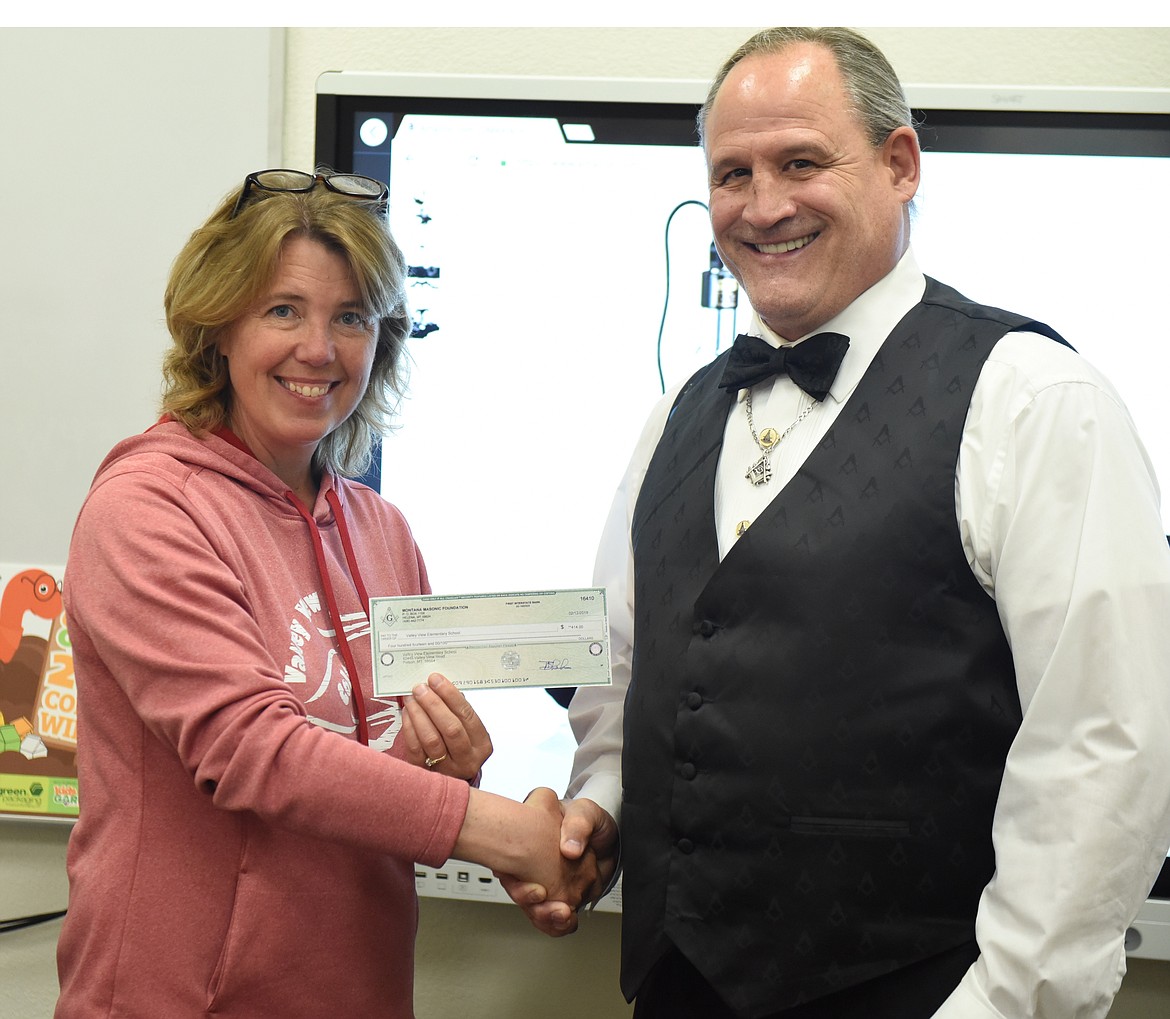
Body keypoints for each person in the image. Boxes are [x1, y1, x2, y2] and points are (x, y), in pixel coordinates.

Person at [507, 26, 1170, 1019]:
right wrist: (598, 806)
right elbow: (627, 675)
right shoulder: (679, 414)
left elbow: (1104, 746)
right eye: (732, 173)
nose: (764, 204)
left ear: (900, 164)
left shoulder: (1034, 399)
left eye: (801, 162)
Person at [55, 168, 596, 1019]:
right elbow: (253, 751)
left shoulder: (382, 530)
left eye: (351, 317)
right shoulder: (146, 508)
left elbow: (362, 786)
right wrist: (497, 828)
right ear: (217, 325)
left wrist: (445, 776)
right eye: (283, 310)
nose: (320, 349)